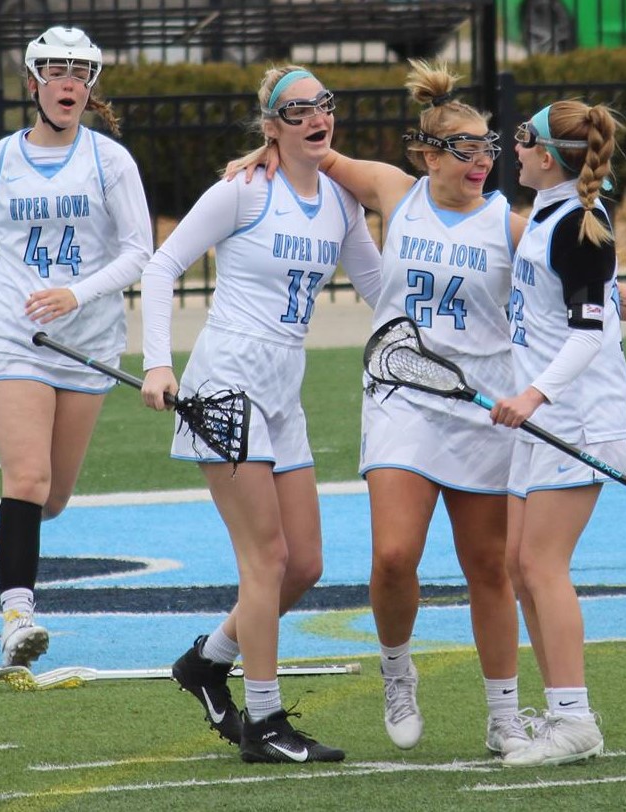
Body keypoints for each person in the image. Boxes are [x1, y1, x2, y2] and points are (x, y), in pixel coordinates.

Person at [229, 62, 626, 758]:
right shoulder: (395, 192)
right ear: (427, 153)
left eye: (489, 148)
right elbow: (312, 149)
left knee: (492, 567)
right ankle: (396, 671)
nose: (481, 161)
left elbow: (572, 286)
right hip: (402, 391)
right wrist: (265, 147)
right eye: (465, 147)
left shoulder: (512, 226)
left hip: (486, 404)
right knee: (392, 556)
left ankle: (504, 713)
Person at [138, 65, 383, 764]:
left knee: (303, 562)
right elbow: (161, 268)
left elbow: (378, 288)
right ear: (272, 125)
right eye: (297, 109)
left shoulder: (338, 201)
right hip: (226, 384)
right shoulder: (242, 191)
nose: (316, 118)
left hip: (282, 388)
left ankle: (207, 662)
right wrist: (159, 363)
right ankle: (266, 722)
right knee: (267, 559)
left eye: (323, 106)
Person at [0, 26, 154, 670]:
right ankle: (16, 619)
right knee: (25, 478)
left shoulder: (110, 162)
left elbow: (139, 252)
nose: (68, 85)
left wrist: (75, 295)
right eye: (56, 73)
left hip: (86, 341)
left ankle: (21, 565)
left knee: (51, 496)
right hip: (8, 335)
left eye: (80, 75)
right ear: (34, 84)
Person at [489, 99, 626, 767]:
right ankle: (561, 714)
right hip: (541, 417)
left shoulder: (579, 223)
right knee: (520, 568)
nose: (511, 147)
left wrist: (532, 394)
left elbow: (587, 333)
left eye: (521, 137)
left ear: (546, 155)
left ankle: (575, 721)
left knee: (542, 567)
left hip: (575, 417)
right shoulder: (548, 214)